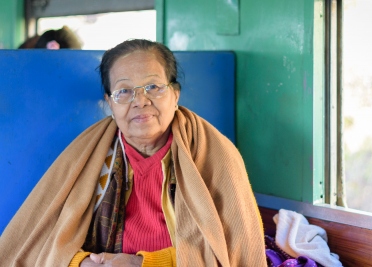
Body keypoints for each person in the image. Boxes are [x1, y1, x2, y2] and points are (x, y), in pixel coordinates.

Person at [0, 39, 267, 266]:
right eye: (124, 91)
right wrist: (81, 263)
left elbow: (233, 253)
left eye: (153, 87)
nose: (140, 101)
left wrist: (143, 263)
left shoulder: (214, 153)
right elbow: (42, 245)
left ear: (175, 95)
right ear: (109, 104)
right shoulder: (89, 154)